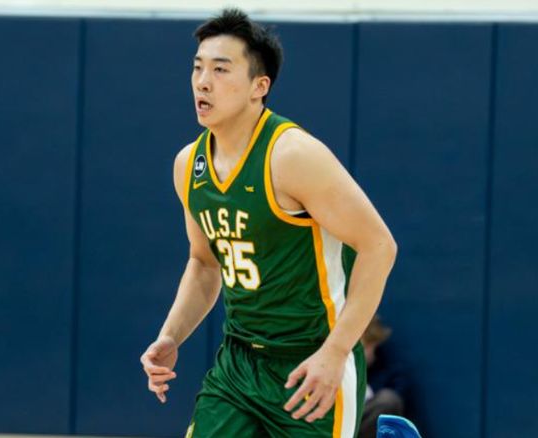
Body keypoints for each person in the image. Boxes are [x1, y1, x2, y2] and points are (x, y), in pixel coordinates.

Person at [139, 8, 397, 438]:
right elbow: (205, 263)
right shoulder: (189, 165)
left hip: (311, 362)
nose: (202, 81)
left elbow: (379, 246)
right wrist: (171, 335)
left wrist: (335, 352)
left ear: (259, 86)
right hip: (239, 365)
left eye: (221, 69)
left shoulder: (293, 155)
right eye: (198, 67)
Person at [358, 316, 410, 437]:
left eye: (362, 348)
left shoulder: (390, 369)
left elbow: (393, 400)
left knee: (388, 400)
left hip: (363, 426)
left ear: (374, 343)